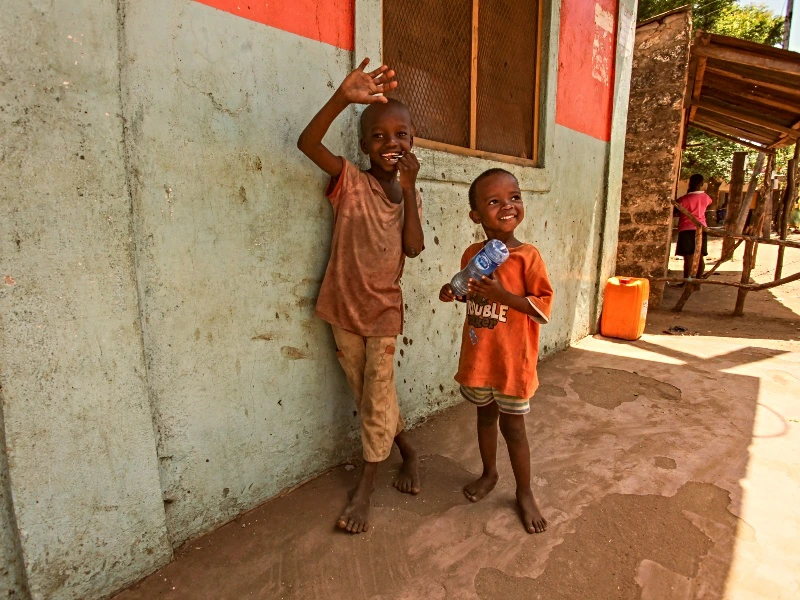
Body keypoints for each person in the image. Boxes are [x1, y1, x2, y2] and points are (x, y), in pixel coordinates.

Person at [297, 58, 425, 534]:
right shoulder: (349, 181)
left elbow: (413, 246)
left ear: (413, 142)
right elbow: (306, 143)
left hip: (383, 312)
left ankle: (366, 487)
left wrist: (410, 192)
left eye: (401, 136)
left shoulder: (408, 191)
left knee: (375, 398)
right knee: (369, 393)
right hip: (340, 307)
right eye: (378, 136)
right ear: (362, 144)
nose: (391, 144)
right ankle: (408, 451)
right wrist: (341, 98)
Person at [439, 168, 554, 534]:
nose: (507, 206)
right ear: (476, 215)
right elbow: (470, 296)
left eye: (514, 197)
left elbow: (542, 307)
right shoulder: (472, 254)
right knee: (485, 418)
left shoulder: (527, 257)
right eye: (494, 201)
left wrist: (503, 296)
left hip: (511, 364)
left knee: (514, 428)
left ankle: (524, 492)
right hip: (480, 358)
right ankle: (489, 473)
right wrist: (453, 292)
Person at [675, 173, 713, 281]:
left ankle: (688, 281)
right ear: (701, 184)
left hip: (686, 229)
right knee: (699, 256)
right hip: (701, 228)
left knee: (688, 257)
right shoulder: (706, 197)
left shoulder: (684, 199)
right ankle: (697, 282)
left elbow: (676, 211)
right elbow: (708, 203)